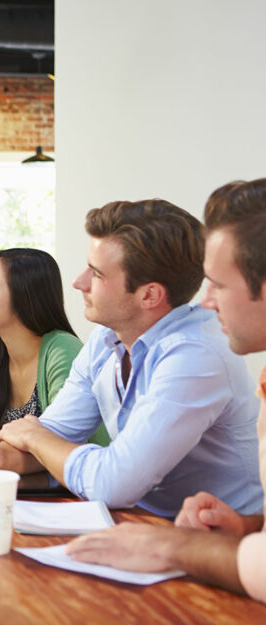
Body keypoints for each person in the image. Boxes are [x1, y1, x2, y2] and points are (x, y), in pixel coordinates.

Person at [0, 198, 262, 519]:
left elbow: (112, 483)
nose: (78, 282)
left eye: (96, 274)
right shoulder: (107, 337)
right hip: (137, 520)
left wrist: (32, 435)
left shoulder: (196, 355)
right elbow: (56, 432)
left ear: (149, 295)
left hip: (214, 537)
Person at [66, 178, 266, 601]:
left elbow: (114, 483)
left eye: (219, 285)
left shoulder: (198, 350)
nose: (206, 302)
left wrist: (171, 546)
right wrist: (246, 527)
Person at [0, 248, 108, 450]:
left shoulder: (62, 349)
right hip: (18, 477)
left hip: (81, 478)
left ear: (24, 299)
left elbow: (62, 444)